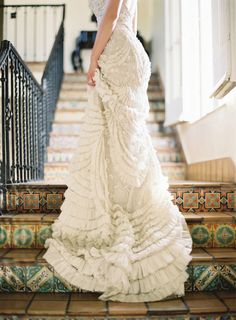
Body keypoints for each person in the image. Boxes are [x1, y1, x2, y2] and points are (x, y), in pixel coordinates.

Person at [43, 0, 193, 302]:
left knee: (112, 132)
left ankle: (119, 207)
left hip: (116, 49)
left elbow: (110, 16)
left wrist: (94, 58)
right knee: (124, 135)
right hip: (129, 49)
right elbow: (130, 20)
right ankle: (124, 201)